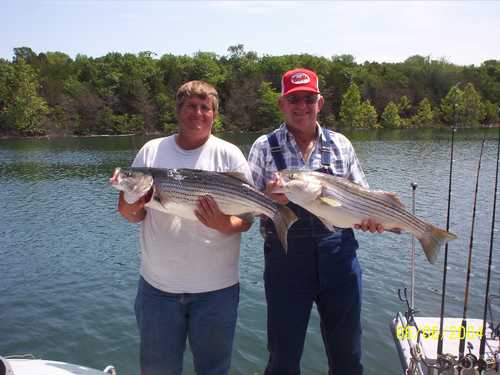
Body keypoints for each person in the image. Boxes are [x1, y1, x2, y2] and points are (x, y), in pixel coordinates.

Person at [248, 68, 383, 375]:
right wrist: (269, 201)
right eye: (294, 99)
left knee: (348, 357)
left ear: (319, 103)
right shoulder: (263, 147)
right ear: (282, 104)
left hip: (340, 259)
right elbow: (246, 207)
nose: (301, 106)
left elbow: (363, 196)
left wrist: (371, 219)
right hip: (285, 264)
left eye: (308, 99)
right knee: (283, 359)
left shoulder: (341, 145)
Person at [116, 80, 253, 375]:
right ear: (179, 110)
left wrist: (224, 223)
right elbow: (130, 214)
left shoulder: (230, 155)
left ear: (214, 114)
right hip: (158, 290)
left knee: (214, 371)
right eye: (191, 106)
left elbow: (247, 219)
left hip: (217, 291)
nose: (199, 113)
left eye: (206, 107)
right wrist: (130, 195)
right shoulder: (151, 152)